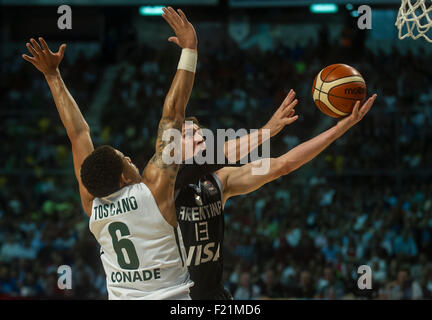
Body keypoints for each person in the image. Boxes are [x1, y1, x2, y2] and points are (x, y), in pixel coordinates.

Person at [22, 7, 198, 300]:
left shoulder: (93, 204)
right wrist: (190, 49)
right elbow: (174, 114)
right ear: (123, 177)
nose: (130, 159)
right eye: (125, 160)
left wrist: (53, 76)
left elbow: (78, 135)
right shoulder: (153, 190)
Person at [175, 92, 377, 299]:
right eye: (188, 134)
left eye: (199, 132)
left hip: (213, 296)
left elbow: (284, 164)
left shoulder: (221, 180)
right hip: (175, 296)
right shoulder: (165, 184)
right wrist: (267, 131)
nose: (199, 136)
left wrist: (338, 130)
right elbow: (216, 156)